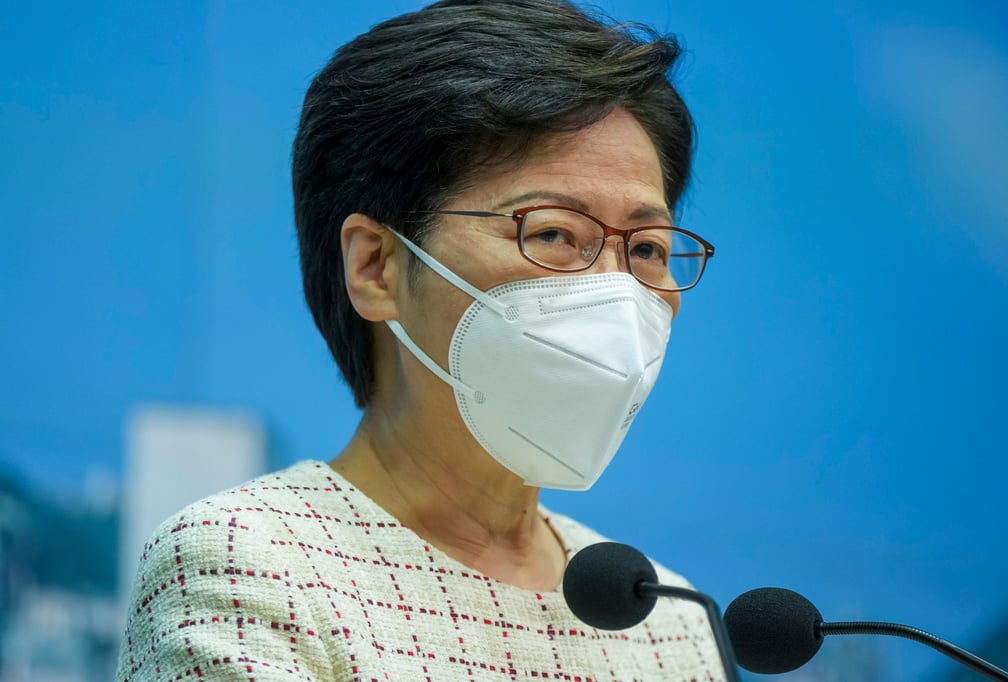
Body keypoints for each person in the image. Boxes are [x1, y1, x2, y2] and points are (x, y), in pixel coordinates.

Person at [117, 0, 723, 679]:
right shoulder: (249, 567)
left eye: (646, 247)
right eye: (553, 233)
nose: (615, 292)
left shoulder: (668, 621)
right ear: (376, 265)